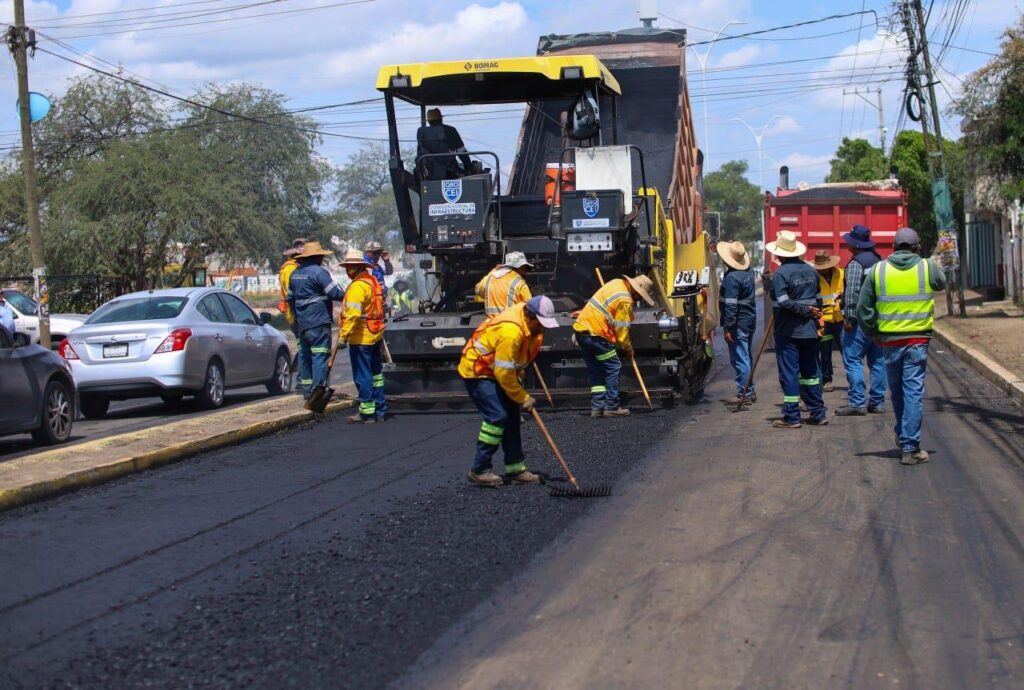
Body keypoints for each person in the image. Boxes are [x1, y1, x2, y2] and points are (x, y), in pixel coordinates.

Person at [857, 227, 946, 465]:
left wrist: (872, 332)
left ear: (893, 247)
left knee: (897, 391)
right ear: (917, 248)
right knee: (913, 392)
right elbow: (941, 283)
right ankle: (910, 447)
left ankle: (904, 435)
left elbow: (863, 307)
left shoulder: (878, 270)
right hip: (917, 340)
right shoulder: (926, 266)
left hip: (889, 341)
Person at [458, 296, 558, 487]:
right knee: (497, 416)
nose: (544, 328)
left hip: (497, 371)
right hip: (478, 371)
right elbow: (503, 372)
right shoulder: (511, 331)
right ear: (529, 317)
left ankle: (515, 468)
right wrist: (522, 397)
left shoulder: (530, 327)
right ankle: (479, 469)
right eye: (541, 323)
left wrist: (517, 384)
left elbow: (512, 363)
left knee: (512, 417)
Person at [766, 230, 828, 428]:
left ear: (781, 254)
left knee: (789, 373)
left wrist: (804, 310)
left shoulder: (781, 274)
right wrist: (813, 313)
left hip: (788, 332)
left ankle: (792, 416)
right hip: (809, 331)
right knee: (811, 374)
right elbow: (818, 299)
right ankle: (818, 413)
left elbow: (783, 301)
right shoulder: (811, 271)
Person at [573, 274, 656, 417]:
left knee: (596, 370)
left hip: (581, 331)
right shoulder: (624, 300)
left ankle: (597, 408)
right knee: (613, 366)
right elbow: (621, 330)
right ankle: (611, 406)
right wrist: (628, 348)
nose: (640, 299)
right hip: (597, 334)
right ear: (636, 291)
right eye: (641, 296)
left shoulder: (616, 282)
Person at [836, 224, 886, 416]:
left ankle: (857, 402)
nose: (846, 244)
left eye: (849, 242)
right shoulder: (879, 261)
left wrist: (848, 318)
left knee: (853, 359)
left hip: (859, 322)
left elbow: (852, 293)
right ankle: (877, 402)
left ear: (855, 245)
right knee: (878, 361)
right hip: (878, 320)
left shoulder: (856, 264)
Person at [287, 242, 345, 399]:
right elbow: (334, 293)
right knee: (320, 357)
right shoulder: (320, 273)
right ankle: (317, 393)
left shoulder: (294, 274)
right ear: (317, 257)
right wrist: (348, 294)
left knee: (305, 357)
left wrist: (297, 317)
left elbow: (290, 299)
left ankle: (307, 391)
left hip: (302, 323)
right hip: (318, 322)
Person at [339, 249, 388, 424]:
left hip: (361, 338)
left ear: (358, 267)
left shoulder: (357, 287)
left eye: (350, 267)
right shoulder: (372, 281)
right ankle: (380, 410)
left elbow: (353, 315)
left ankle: (367, 412)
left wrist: (343, 336)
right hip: (375, 335)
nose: (348, 270)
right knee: (376, 375)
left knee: (363, 375)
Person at [717, 241, 758, 402]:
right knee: (746, 356)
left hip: (738, 324)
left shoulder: (731, 278)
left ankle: (744, 393)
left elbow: (731, 306)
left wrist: (728, 328)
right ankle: (750, 390)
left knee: (740, 359)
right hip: (749, 320)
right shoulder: (749, 272)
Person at [808, 250, 845, 392]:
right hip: (824, 320)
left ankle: (853, 380)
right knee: (824, 351)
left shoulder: (841, 274)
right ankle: (826, 379)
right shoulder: (814, 277)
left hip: (840, 319)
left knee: (846, 350)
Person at [278, 238, 307, 391]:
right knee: (303, 347)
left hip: (296, 314)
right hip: (296, 315)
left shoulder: (294, 267)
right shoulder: (290, 269)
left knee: (304, 346)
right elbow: (293, 295)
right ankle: (301, 382)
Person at [416, 107, 473, 180]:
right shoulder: (450, 130)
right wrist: (469, 168)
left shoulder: (421, 133)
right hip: (449, 172)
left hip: (428, 174)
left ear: (429, 121)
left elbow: (420, 153)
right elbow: (461, 152)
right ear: (441, 119)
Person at [475, 251, 533, 316]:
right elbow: (531, 308)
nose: (525, 272)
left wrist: (494, 270)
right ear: (520, 267)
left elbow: (478, 289)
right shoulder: (519, 283)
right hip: (511, 322)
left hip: (492, 322)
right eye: (525, 268)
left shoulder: (490, 278)